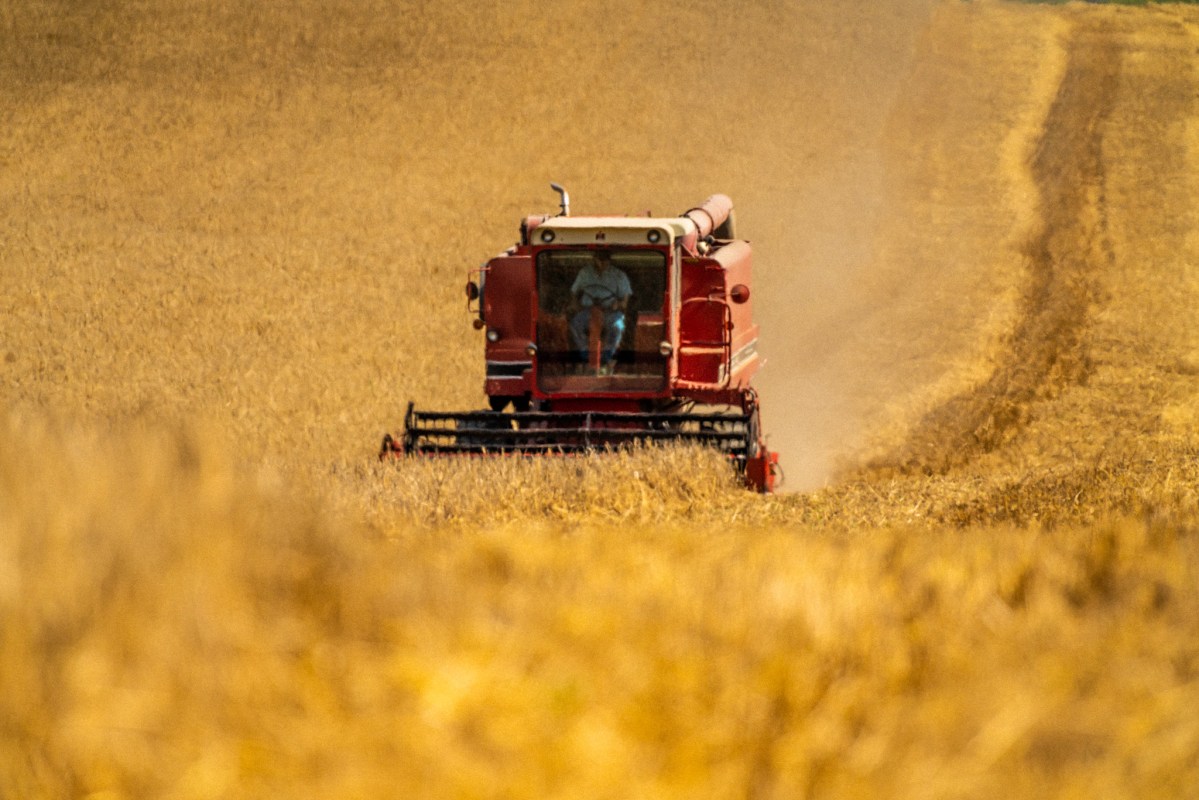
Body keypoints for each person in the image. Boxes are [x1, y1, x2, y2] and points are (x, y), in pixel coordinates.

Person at [569, 251, 632, 370]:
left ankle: (607, 356)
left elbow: (625, 300)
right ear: (594, 259)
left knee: (617, 327)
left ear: (609, 260)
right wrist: (575, 304)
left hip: (610, 312)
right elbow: (574, 292)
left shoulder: (619, 275)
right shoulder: (585, 273)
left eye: (604, 260)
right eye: (599, 259)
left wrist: (618, 304)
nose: (602, 263)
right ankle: (585, 354)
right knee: (575, 324)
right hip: (588, 310)